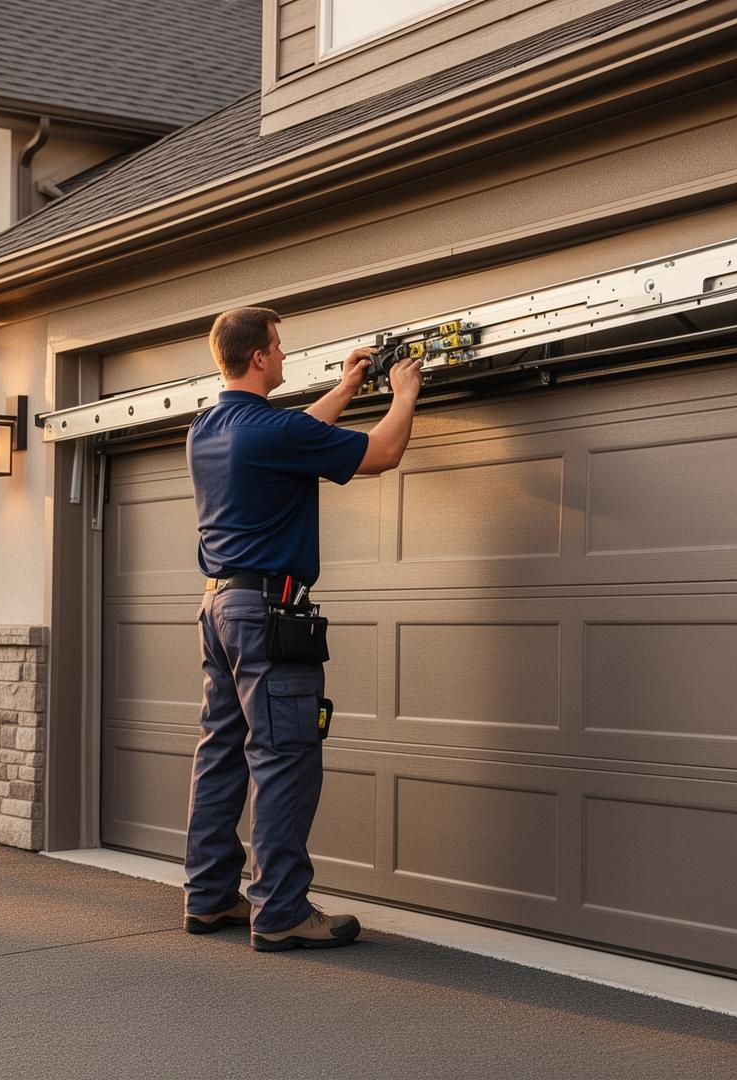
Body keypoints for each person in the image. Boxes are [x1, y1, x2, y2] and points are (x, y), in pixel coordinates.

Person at [182, 305, 422, 951]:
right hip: (266, 617)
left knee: (222, 754)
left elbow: (294, 435)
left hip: (219, 612)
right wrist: (403, 393)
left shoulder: (207, 428)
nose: (285, 355)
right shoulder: (270, 430)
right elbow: (383, 452)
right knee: (284, 757)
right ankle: (280, 911)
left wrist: (345, 387)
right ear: (260, 357)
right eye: (279, 346)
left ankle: (209, 897)